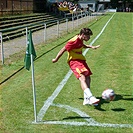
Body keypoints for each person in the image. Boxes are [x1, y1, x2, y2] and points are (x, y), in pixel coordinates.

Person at [52, 28, 100, 106]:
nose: (89, 38)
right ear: (83, 35)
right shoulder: (73, 41)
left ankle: (86, 100)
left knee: (88, 77)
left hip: (81, 60)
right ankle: (91, 97)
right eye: (88, 36)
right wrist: (56, 59)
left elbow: (81, 45)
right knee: (82, 78)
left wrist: (91, 47)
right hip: (74, 61)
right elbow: (63, 49)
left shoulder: (80, 40)